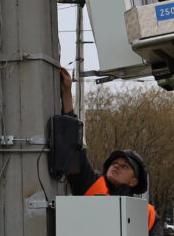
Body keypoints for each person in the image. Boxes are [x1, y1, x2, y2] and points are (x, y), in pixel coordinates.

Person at [59, 69, 164, 236]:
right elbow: (73, 147)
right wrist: (66, 93)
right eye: (114, 163)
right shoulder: (90, 183)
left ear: (134, 181)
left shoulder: (147, 214)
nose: (116, 167)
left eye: (125, 166)